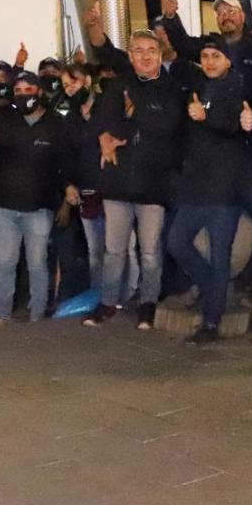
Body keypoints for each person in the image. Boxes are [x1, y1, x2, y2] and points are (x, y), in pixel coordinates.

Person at [160, 0, 252, 300]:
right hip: (220, 156)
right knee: (188, 232)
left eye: (231, 11)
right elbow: (184, 44)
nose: (226, 16)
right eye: (221, 12)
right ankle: (209, 289)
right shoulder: (209, 47)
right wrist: (171, 18)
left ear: (243, 16)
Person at [82, 27, 185, 329]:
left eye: (151, 50)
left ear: (160, 55)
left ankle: (148, 304)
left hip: (154, 184)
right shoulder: (118, 85)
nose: (145, 56)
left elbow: (166, 127)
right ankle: (107, 302)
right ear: (130, 55)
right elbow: (101, 121)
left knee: (150, 252)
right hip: (118, 182)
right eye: (138, 50)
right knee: (113, 250)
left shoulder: (171, 89)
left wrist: (130, 118)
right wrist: (106, 135)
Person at [166, 35, 246, 343]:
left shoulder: (237, 86)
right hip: (195, 186)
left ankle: (212, 321)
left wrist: (206, 116)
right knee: (176, 242)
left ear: (227, 60)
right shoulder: (197, 87)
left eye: (216, 56)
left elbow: (232, 125)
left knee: (220, 254)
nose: (210, 61)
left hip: (224, 189)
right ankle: (213, 290)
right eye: (205, 56)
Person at [59, 63, 139, 297]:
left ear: (86, 80)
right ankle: (99, 297)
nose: (70, 88)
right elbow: (66, 155)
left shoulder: (109, 107)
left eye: (73, 82)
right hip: (88, 191)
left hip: (116, 188)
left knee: (125, 248)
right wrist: (68, 185)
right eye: (65, 85)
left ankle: (128, 294)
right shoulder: (70, 118)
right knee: (95, 251)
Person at [0, 72, 63, 326]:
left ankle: (36, 316)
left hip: (39, 208)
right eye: (18, 91)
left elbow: (63, 164)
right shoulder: (5, 119)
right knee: (6, 263)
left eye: (28, 89)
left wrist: (64, 200)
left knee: (37, 264)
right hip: (6, 206)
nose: (23, 95)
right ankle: (2, 315)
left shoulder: (55, 123)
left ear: (39, 91)